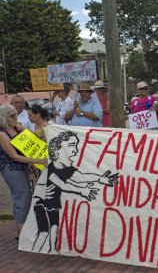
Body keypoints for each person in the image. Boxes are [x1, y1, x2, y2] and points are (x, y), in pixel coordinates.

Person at [31, 131, 119, 253]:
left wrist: (100, 179)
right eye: (71, 145)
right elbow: (65, 185)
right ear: (57, 150)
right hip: (42, 204)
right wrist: (82, 190)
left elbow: (82, 176)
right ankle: (35, 251)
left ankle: (52, 250)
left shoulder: (67, 168)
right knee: (44, 233)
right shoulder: (51, 169)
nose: (75, 151)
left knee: (55, 227)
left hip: (53, 203)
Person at [0, 105, 48, 239]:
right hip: (11, 168)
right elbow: (14, 156)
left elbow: (34, 139)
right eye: (12, 115)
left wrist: (24, 130)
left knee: (21, 197)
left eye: (16, 114)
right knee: (23, 197)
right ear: (4, 117)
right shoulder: (2, 134)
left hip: (22, 167)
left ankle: (19, 232)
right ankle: (23, 235)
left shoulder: (17, 128)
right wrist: (37, 160)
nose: (16, 117)